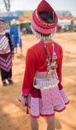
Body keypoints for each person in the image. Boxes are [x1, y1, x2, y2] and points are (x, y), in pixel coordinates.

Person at [19, 0, 69, 130]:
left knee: (33, 116)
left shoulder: (32, 51)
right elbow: (59, 73)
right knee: (51, 118)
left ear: (35, 27)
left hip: (37, 89)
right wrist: (56, 86)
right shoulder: (58, 48)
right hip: (52, 87)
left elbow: (28, 76)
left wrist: (25, 94)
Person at [0, 18, 14, 87]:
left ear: (4, 25)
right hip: (0, 55)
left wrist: (12, 52)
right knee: (2, 68)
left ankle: (9, 78)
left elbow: (11, 44)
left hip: (8, 54)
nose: (1, 25)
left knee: (9, 67)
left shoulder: (7, 34)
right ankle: (3, 80)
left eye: (2, 24)